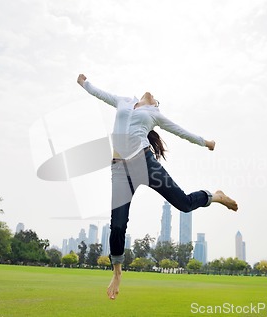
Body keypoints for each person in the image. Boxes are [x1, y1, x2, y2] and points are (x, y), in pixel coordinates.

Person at [77, 74, 238, 300]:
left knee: (183, 203)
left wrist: (205, 142)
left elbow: (181, 131)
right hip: (119, 171)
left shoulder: (154, 114)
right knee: (117, 225)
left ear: (154, 106)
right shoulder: (123, 100)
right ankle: (117, 272)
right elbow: (100, 94)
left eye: (157, 101)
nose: (153, 97)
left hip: (145, 163)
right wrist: (85, 83)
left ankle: (215, 196)